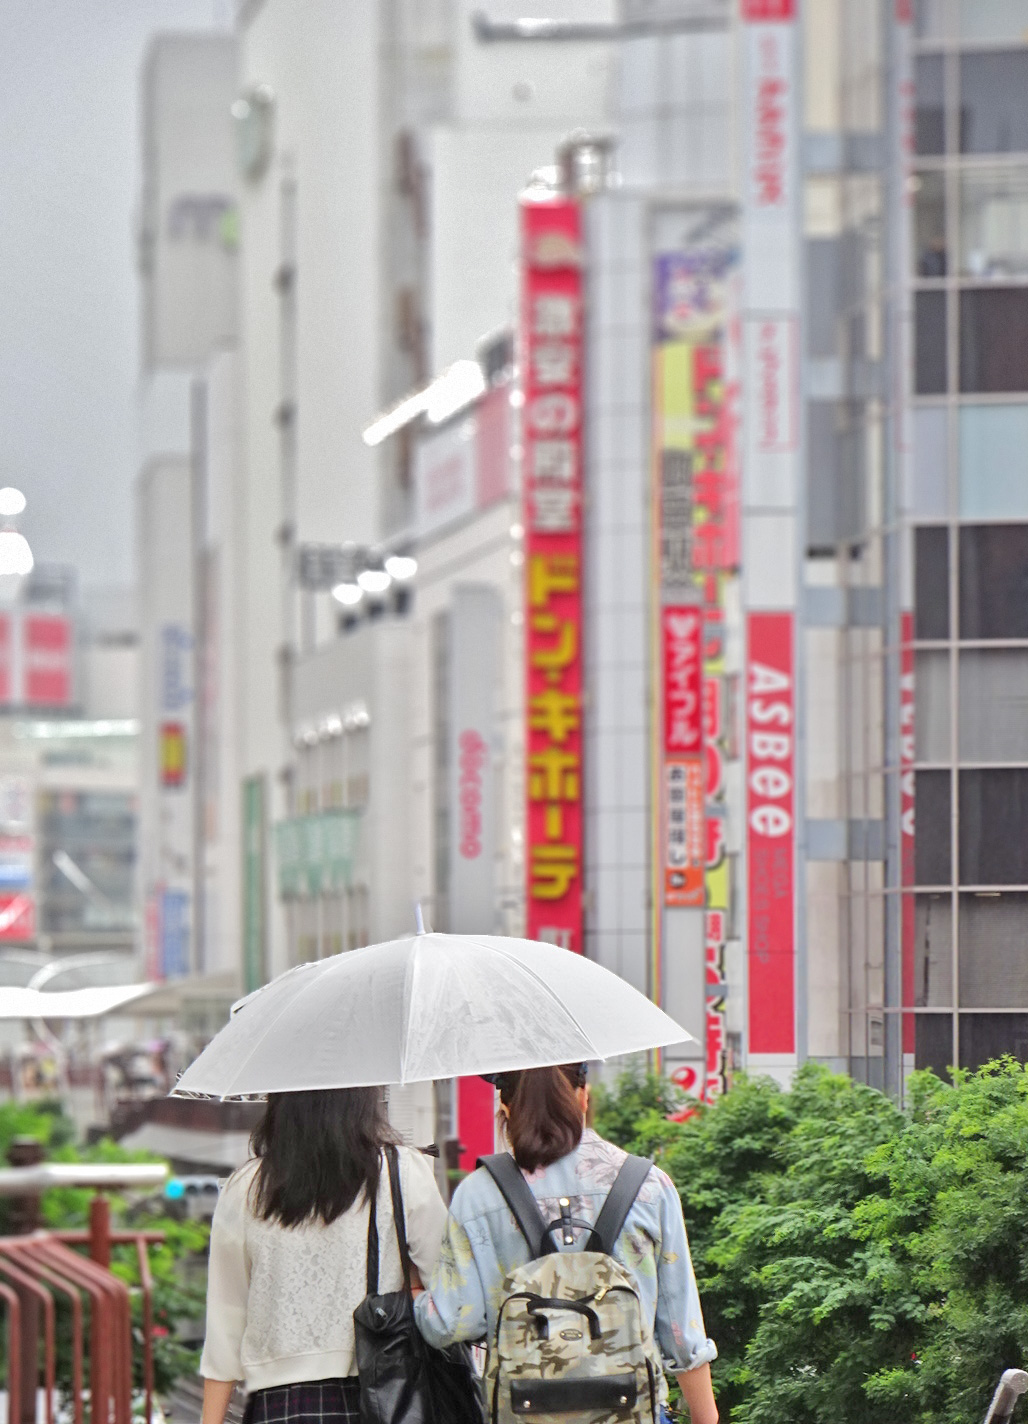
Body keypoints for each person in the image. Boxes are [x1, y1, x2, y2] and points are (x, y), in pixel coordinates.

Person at [415, 1063, 719, 1424]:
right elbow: (681, 1331)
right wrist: (706, 1418)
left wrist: (417, 1290)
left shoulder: (478, 1195)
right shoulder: (649, 1187)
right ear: (584, 1097)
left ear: (506, 1108)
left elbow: (448, 1324)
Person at [199, 1086, 448, 1424]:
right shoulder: (401, 1171)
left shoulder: (246, 1187)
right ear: (361, 1099)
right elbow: (450, 1291)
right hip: (387, 1396)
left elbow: (225, 1322)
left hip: (279, 1408)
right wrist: (413, 1284)